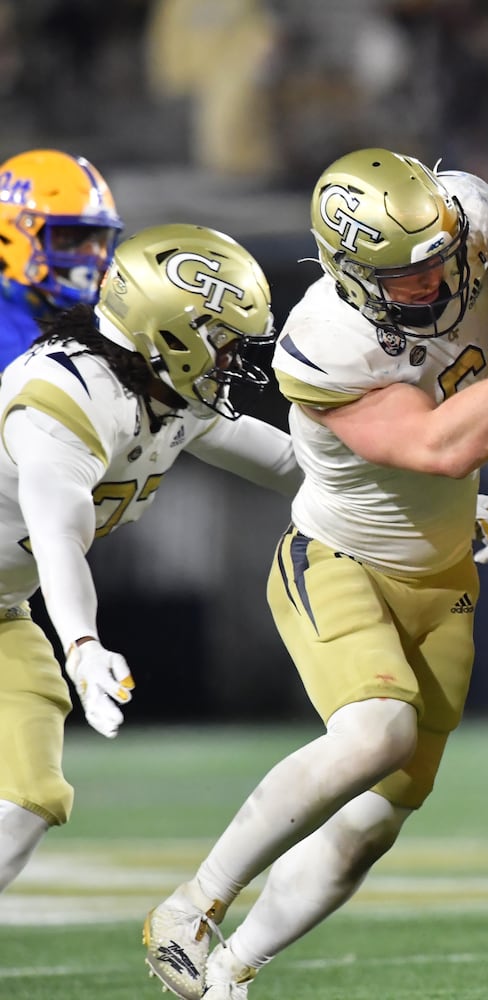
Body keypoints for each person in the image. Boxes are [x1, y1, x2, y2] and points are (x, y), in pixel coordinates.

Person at [144, 148, 488, 1000]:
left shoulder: (465, 226)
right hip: (341, 560)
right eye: (404, 274)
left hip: (443, 579)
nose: (431, 281)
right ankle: (190, 905)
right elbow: (439, 447)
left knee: (375, 822)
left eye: (440, 255)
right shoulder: (325, 340)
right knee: (375, 735)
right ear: (347, 268)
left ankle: (230, 972)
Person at [0, 222, 296, 895]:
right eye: (222, 339)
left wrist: (435, 501)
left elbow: (287, 461)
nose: (232, 360)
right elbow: (57, 535)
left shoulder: (164, 392)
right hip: (23, 600)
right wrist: (80, 643)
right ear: (172, 333)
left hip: (2, 608)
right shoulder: (67, 396)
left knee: (28, 799)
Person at [0, 149, 122, 370]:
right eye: (68, 236)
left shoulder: (104, 318)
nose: (93, 254)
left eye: (99, 238)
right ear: (9, 236)